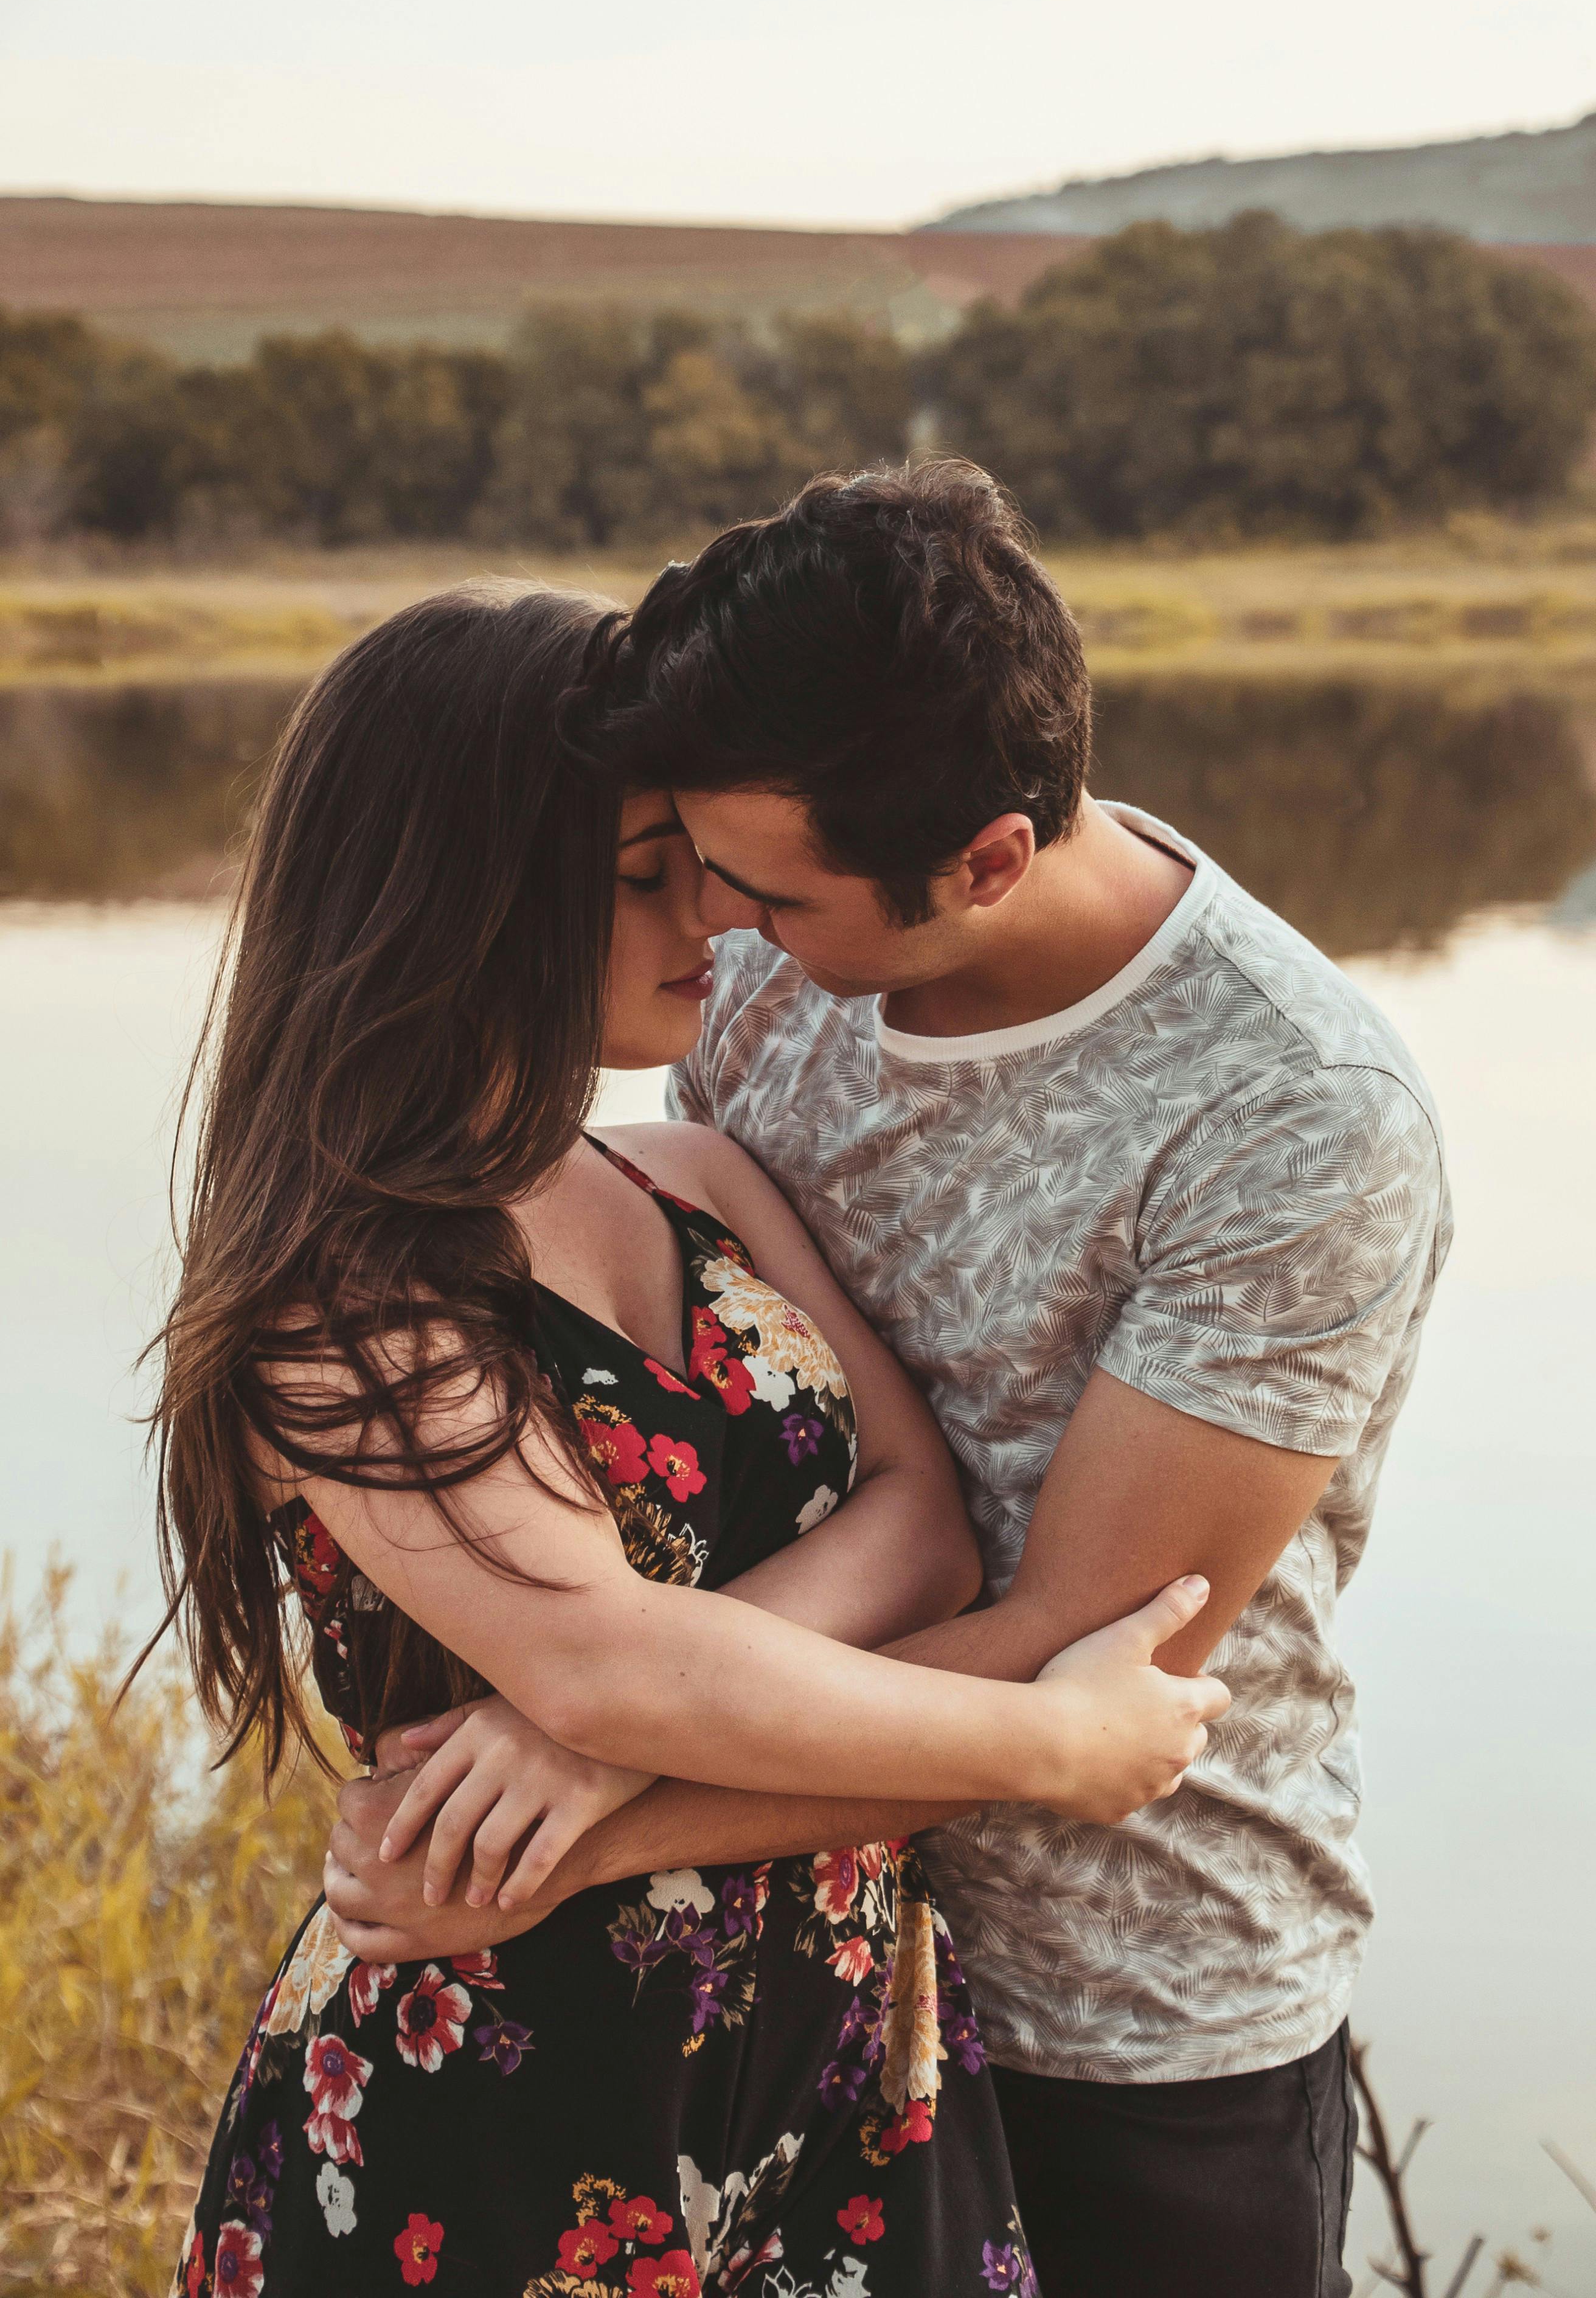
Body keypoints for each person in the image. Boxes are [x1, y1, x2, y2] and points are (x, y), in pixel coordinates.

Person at [327, 463, 1450, 2298]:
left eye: (759, 889)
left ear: (987, 859)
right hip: (785, 1989)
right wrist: (595, 1698)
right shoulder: (767, 970)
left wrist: (595, 1767)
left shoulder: (1292, 1116)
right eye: (683, 868)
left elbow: (1086, 1638)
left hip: (1129, 2004)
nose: (717, 925)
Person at [153, 581, 1226, 2298]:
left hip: (848, 2066)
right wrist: (1050, 1747)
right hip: (492, 2100)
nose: (712, 920)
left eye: (707, 867)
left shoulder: (698, 1181)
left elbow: (920, 1525)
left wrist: (603, 1735)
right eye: (647, 871)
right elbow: (605, 1652)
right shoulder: (335, 1297)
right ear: (471, 891)